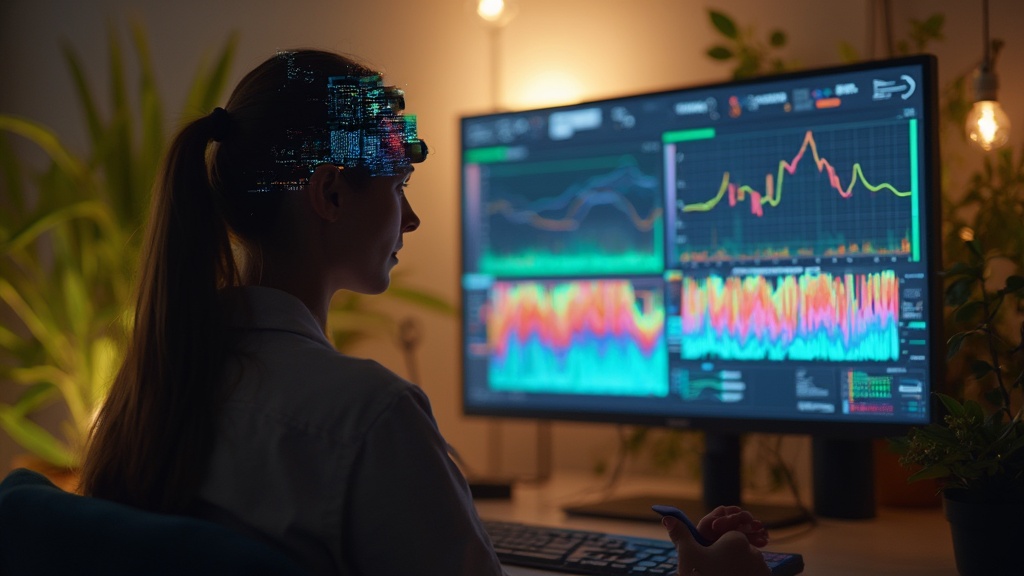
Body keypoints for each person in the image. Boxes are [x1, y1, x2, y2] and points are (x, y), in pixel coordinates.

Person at [78, 49, 772, 576]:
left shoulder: (148, 394)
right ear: (329, 195)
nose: (411, 218)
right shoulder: (370, 418)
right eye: (398, 184)